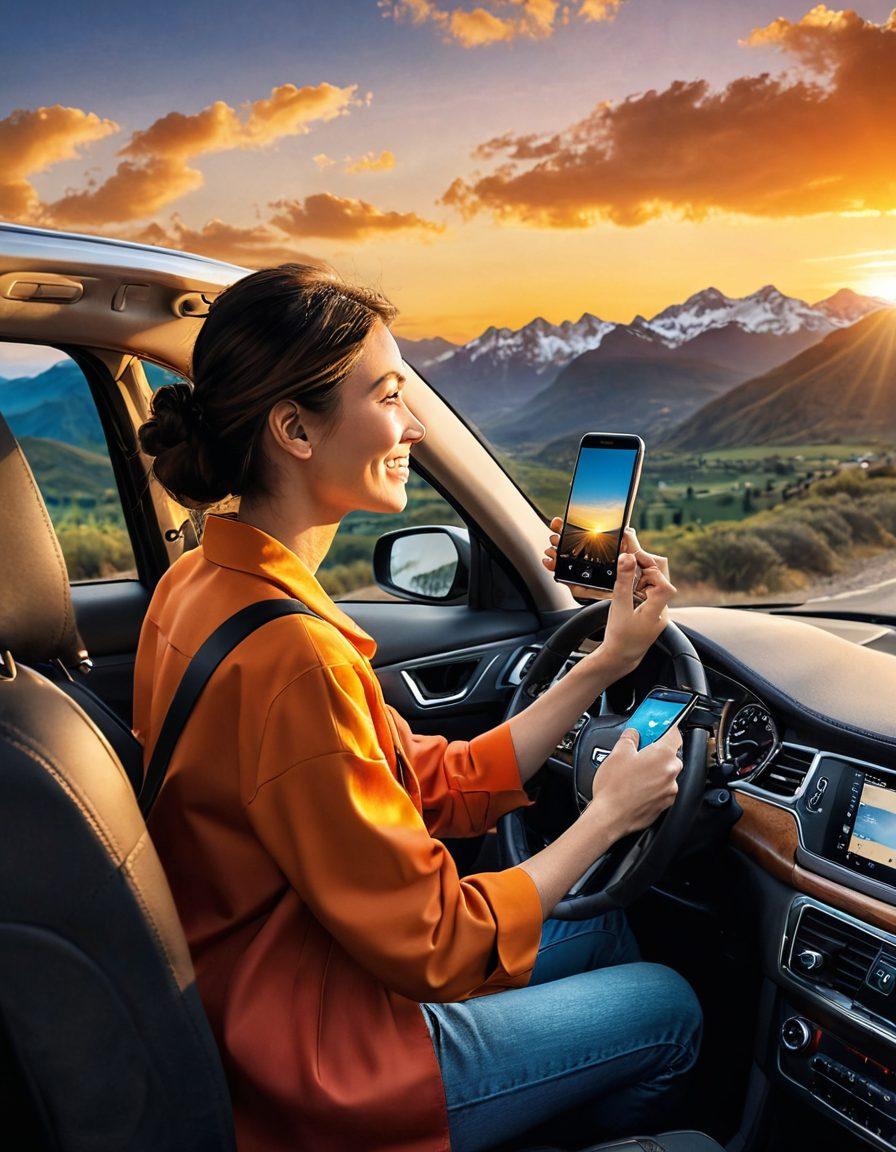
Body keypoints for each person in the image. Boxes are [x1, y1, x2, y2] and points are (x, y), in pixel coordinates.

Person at [133, 263, 701, 1152]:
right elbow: (438, 943)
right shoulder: (294, 659)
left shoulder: (198, 585)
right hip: (326, 1061)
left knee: (607, 928)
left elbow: (421, 780)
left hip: (267, 994)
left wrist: (606, 663)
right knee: (670, 1009)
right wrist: (606, 818)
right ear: (294, 429)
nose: (417, 425)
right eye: (392, 395)